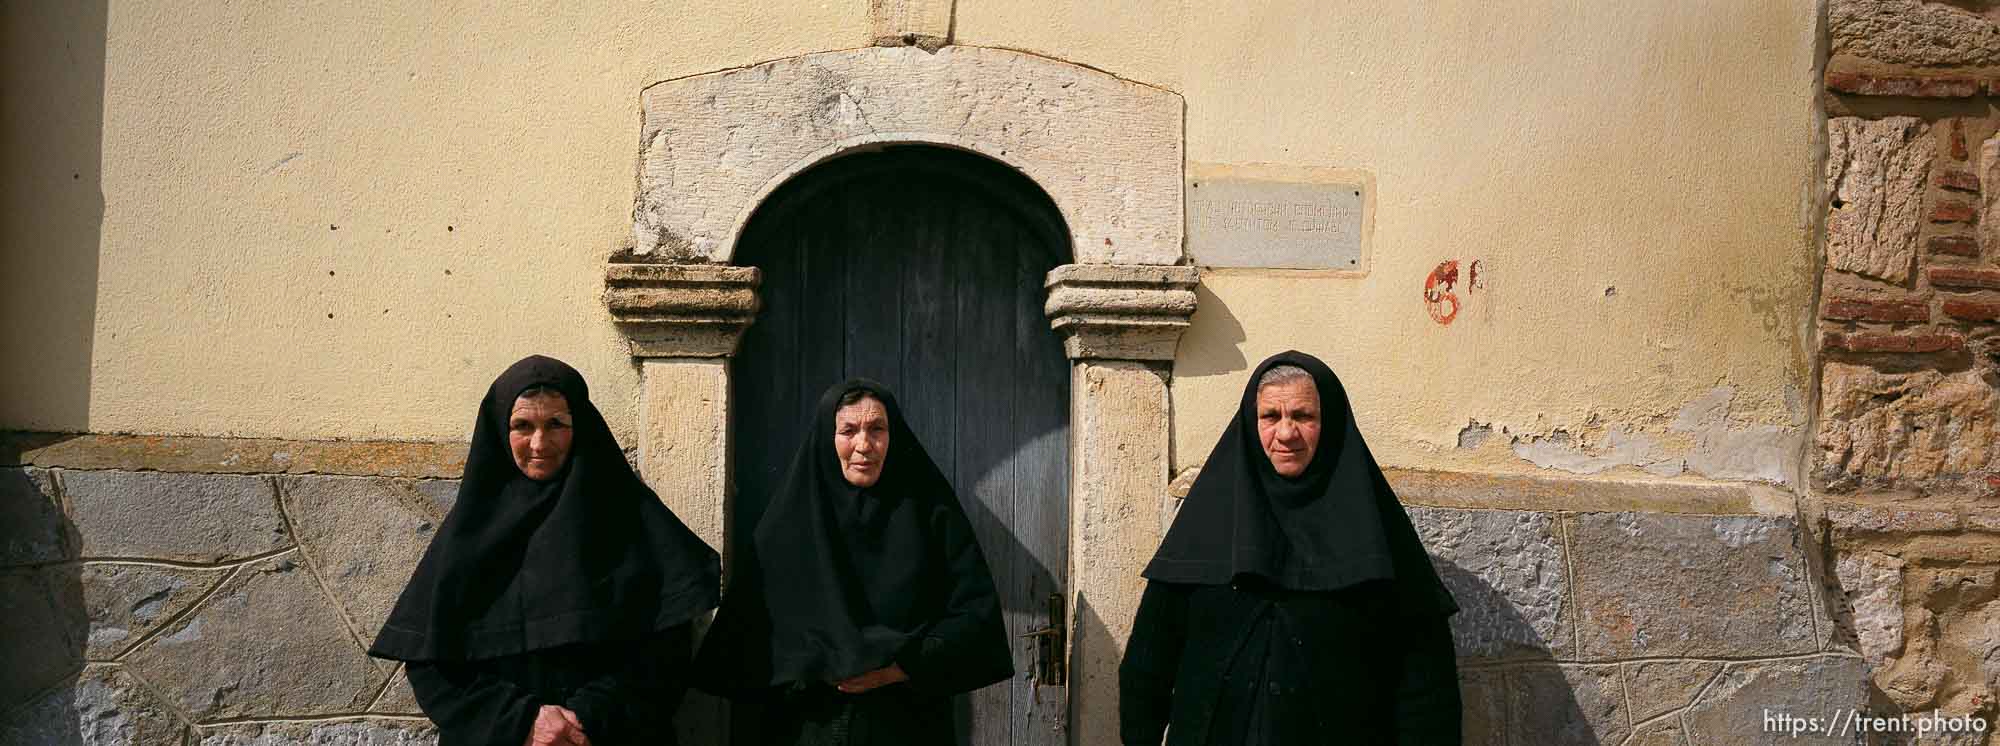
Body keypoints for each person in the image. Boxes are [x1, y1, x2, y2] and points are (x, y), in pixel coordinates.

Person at [369, 355, 721, 746]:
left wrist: (584, 720)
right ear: (500, 431)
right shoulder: (469, 535)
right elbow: (433, 669)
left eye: (556, 424)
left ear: (580, 427)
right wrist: (522, 722)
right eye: (523, 426)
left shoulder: (628, 520)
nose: (540, 443)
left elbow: (664, 655)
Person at [1119, 351, 1462, 745]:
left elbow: (1427, 693)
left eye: (1303, 416)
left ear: (1329, 423)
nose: (1286, 433)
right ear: (1251, 423)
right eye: (1271, 417)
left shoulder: (1378, 536)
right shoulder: (1204, 524)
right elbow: (1146, 674)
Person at [695, 379, 1013, 745]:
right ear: (827, 438)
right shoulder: (790, 524)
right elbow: (749, 641)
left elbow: (975, 618)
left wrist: (898, 669)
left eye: (877, 429)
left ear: (893, 436)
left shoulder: (931, 515)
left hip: (908, 724)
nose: (864, 445)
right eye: (848, 430)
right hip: (808, 726)